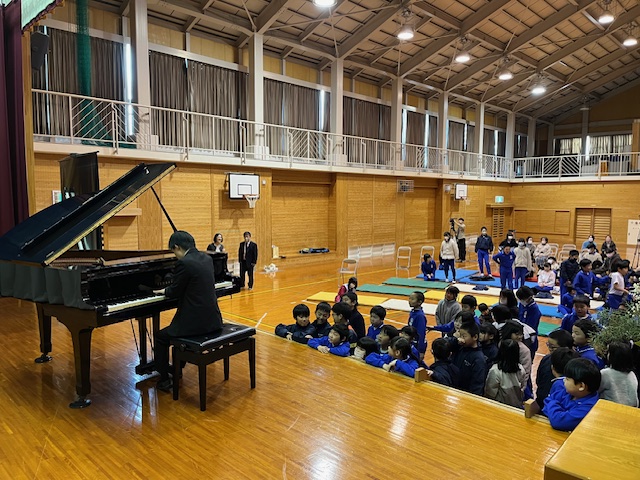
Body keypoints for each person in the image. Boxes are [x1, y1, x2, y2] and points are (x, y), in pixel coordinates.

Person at [153, 231, 223, 392]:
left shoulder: (184, 263)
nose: (175, 255)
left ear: (177, 247)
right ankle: (176, 369)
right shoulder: (207, 258)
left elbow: (174, 292)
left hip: (194, 324)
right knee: (172, 331)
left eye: (173, 251)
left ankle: (164, 379)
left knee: (160, 337)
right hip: (213, 320)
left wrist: (163, 290)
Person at [543, 358, 601, 431]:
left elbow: (558, 422)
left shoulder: (589, 408)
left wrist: (553, 410)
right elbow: (546, 401)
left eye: (567, 379)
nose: (563, 380)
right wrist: (557, 413)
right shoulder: (569, 392)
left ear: (581, 386)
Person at [535, 330, 575, 409]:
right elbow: (539, 379)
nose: (549, 349)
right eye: (548, 345)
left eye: (553, 347)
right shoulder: (546, 359)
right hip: (542, 400)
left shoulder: (574, 365)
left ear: (565, 348)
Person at [448, 320, 487, 395]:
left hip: (465, 393)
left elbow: (477, 384)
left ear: (475, 337)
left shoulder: (478, 358)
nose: (461, 339)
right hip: (453, 390)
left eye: (464, 336)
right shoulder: (459, 346)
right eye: (460, 335)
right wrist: (455, 341)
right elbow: (446, 345)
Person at [484, 339, 526, 408]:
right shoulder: (521, 368)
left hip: (499, 408)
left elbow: (490, 394)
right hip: (516, 407)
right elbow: (522, 387)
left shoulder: (495, 371)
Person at [598, 341, 639, 407]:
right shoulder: (632, 374)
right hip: (632, 409)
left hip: (612, 409)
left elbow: (596, 390)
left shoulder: (605, 374)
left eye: (609, 352)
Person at [500, 320, 532, 391]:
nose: (520, 337)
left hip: (515, 385)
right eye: (517, 334)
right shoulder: (500, 344)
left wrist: (520, 389)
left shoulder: (524, 350)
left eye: (521, 334)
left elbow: (526, 371)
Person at [516, 286, 541, 358]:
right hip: (520, 335)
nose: (520, 301)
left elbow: (531, 328)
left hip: (529, 338)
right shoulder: (522, 304)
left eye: (521, 299)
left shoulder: (535, 310)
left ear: (529, 298)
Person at [407, 291, 427, 358]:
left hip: (416, 345)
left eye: (412, 299)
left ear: (419, 302)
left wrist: (421, 350)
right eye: (409, 298)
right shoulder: (413, 312)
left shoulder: (420, 316)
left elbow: (421, 334)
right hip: (411, 342)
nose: (409, 300)